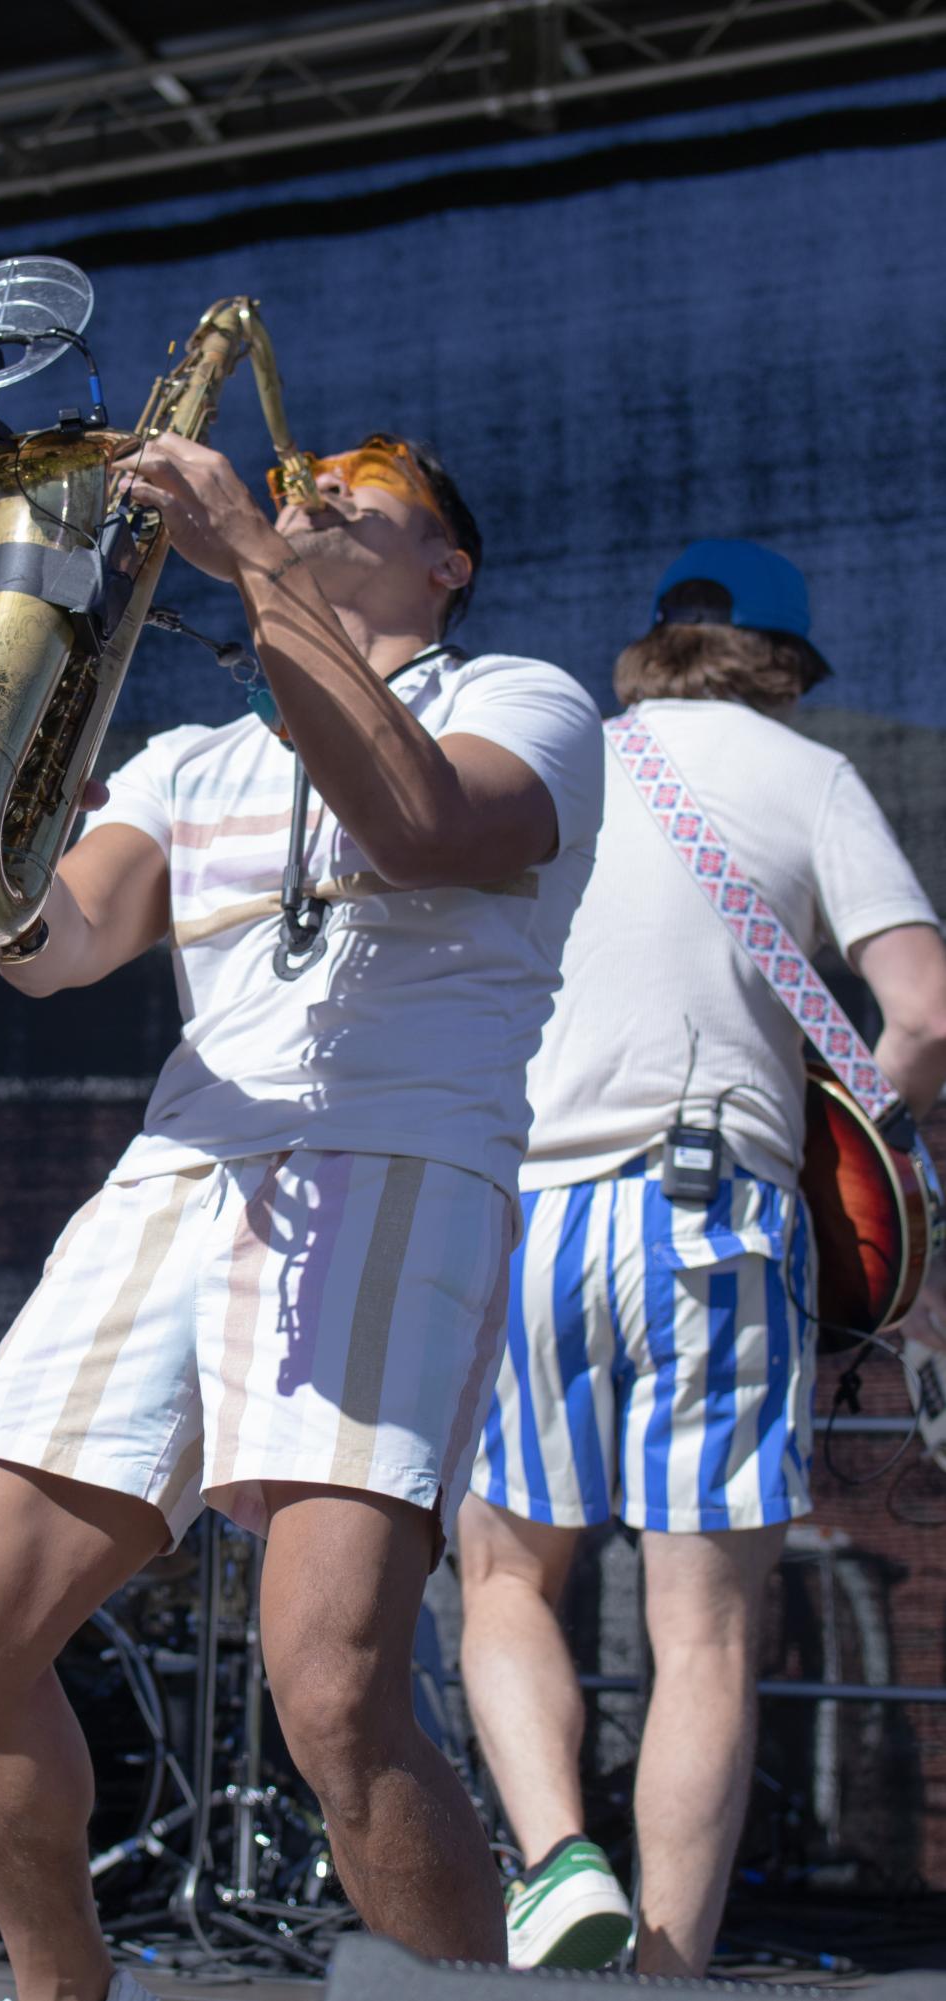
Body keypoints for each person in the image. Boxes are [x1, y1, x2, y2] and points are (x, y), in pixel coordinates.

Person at [0, 427, 604, 2001]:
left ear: (450, 562)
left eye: (377, 478)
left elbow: (423, 826)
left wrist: (257, 559)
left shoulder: (525, 699)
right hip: (178, 1174)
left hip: (397, 1159)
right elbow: (59, 947)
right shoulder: (187, 759)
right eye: (301, 476)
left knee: (334, 1686)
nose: (321, 478)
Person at [455, 538, 946, 1977]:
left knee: (501, 1584)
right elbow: (920, 1011)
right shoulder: (808, 777)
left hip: (530, 1209)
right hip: (708, 1214)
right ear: (785, 666)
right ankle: (664, 1974)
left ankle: (555, 1861)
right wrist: (853, 1138)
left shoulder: (556, 765)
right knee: (705, 1635)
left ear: (647, 645)